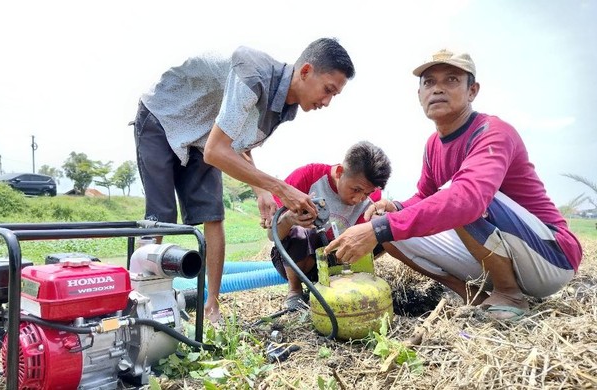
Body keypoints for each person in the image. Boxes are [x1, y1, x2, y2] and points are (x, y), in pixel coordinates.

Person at [325, 49, 583, 320]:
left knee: (456, 198)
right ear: (419, 95)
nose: (437, 89)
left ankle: (510, 295)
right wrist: (394, 208)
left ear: (472, 91)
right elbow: (425, 197)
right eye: (429, 82)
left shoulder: (492, 132)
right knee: (390, 224)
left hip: (550, 257)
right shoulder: (433, 145)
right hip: (501, 252)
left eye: (451, 80)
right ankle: (474, 294)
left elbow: (465, 199)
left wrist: (376, 230)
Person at [134, 38, 355, 323]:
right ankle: (140, 303)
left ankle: (211, 307)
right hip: (163, 117)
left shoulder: (284, 106)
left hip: (204, 135)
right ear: (305, 71)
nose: (327, 102)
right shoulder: (253, 74)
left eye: (334, 96)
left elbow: (235, 138)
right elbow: (217, 151)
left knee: (213, 215)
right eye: (328, 90)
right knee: (161, 215)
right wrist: (279, 188)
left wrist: (261, 189)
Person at [268, 141, 391, 310]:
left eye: (367, 193)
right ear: (340, 172)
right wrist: (288, 220)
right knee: (300, 231)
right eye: (355, 189)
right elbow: (271, 234)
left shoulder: (373, 197)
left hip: (339, 259)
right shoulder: (308, 176)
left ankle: (350, 280)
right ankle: (295, 291)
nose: (358, 199)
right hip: (300, 260)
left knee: (384, 227)